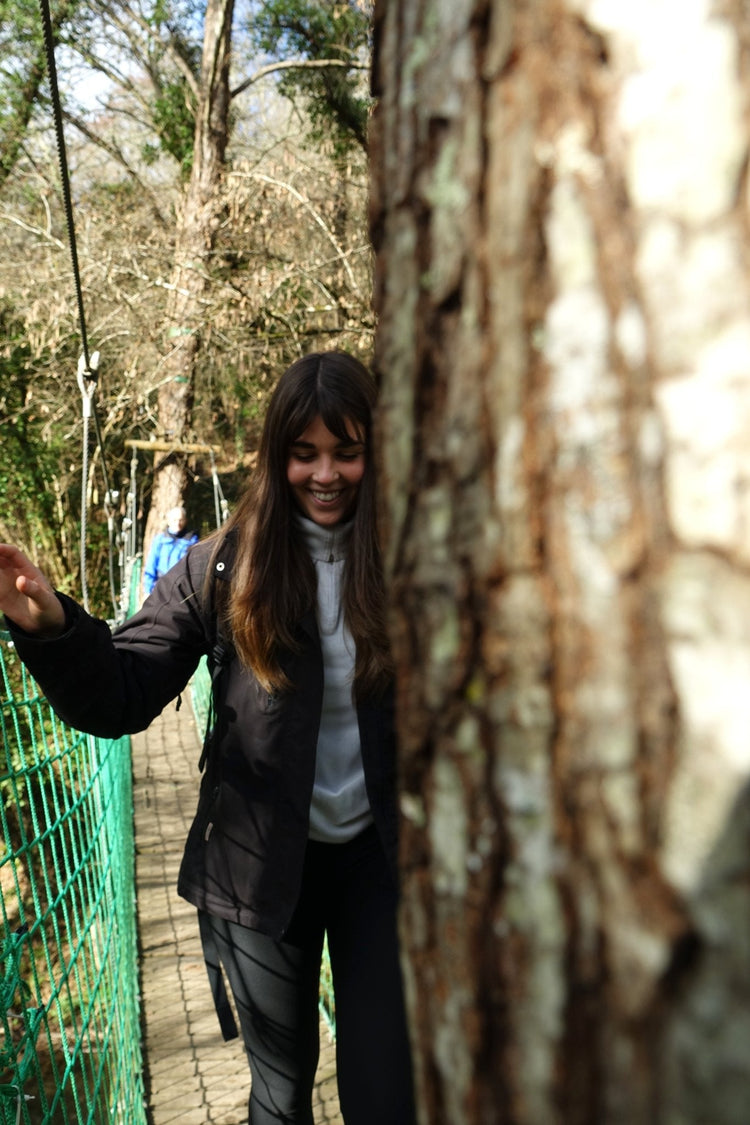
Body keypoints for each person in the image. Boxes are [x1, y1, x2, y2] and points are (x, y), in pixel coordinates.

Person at [0, 351, 416, 1125]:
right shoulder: (220, 567)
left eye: (347, 452)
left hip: (380, 862)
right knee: (280, 1093)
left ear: (374, 452)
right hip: (257, 868)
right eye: (305, 454)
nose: (326, 474)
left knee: (389, 1095)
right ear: (276, 455)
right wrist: (51, 626)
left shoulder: (416, 565)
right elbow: (122, 692)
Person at [142, 504, 199, 596]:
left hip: (182, 589)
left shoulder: (192, 541)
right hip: (161, 588)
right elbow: (151, 566)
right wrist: (147, 591)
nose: (178, 523)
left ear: (185, 520)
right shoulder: (160, 540)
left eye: (181, 520)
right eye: (174, 520)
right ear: (168, 521)